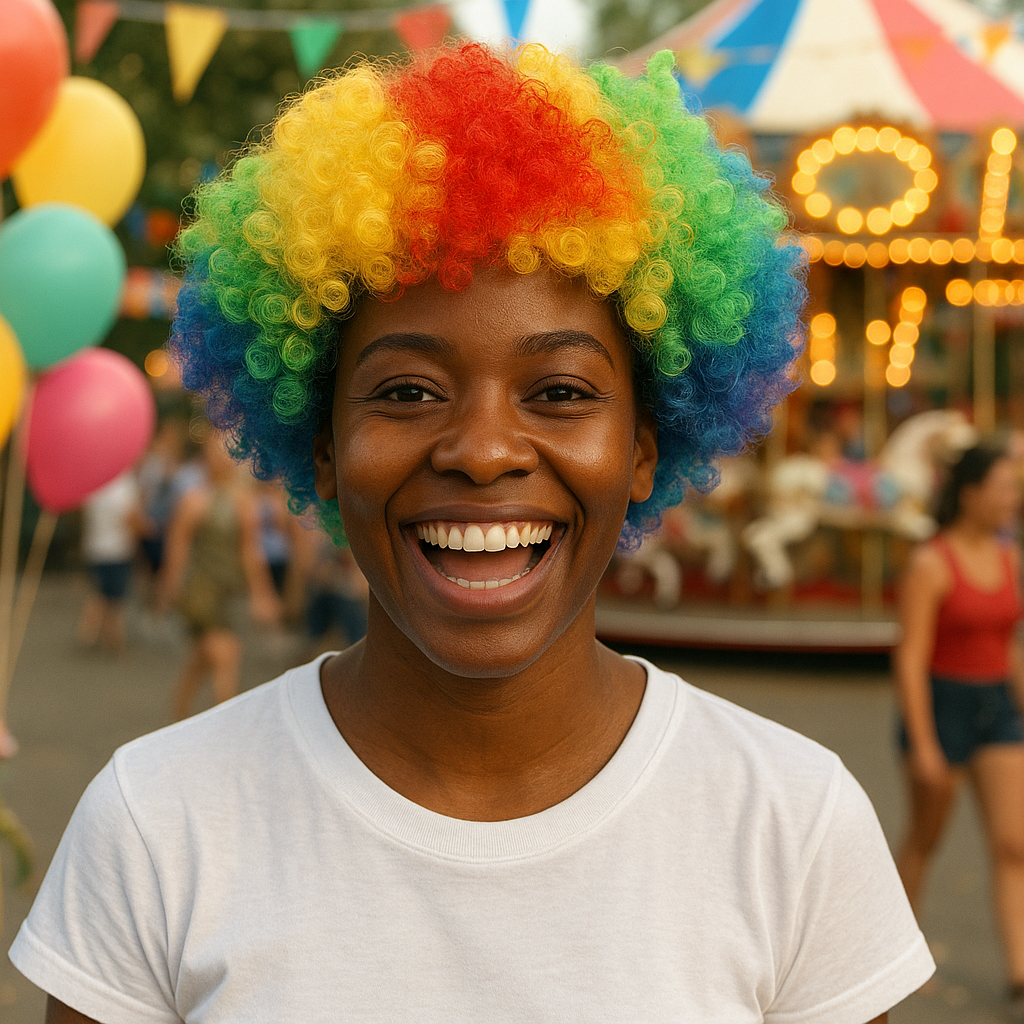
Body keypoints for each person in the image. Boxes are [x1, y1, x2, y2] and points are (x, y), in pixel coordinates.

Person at [11, 44, 932, 1023]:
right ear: (321, 448)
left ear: (644, 451)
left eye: (560, 391)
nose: (483, 450)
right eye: (407, 390)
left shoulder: (790, 825)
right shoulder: (161, 825)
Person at [894, 439, 1024, 1015]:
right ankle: (893, 954)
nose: (1013, 500)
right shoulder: (931, 562)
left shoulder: (1010, 558)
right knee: (925, 841)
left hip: (997, 706)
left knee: (1014, 844)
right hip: (941, 708)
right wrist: (923, 743)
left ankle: (1019, 971)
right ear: (970, 494)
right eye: (1004, 488)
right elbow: (911, 659)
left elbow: (1007, 644)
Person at [157, 428, 281, 720]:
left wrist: (262, 595)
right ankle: (228, 732)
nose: (221, 458)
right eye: (216, 452)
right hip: (201, 593)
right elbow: (177, 549)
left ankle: (177, 717)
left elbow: (250, 554)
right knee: (226, 656)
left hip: (230, 592)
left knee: (201, 660)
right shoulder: (193, 501)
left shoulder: (245, 504)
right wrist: (170, 589)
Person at [75, 470, 142, 654]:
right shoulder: (125, 486)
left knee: (102, 593)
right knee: (113, 598)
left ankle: (98, 635)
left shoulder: (95, 482)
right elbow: (131, 518)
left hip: (94, 548)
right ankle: (110, 639)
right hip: (116, 550)